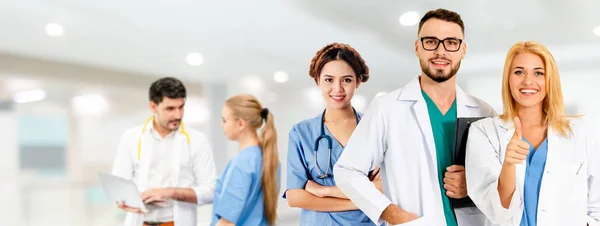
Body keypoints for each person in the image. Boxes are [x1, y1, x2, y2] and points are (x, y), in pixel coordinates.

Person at [333, 8, 497, 226]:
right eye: (431, 42)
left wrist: (475, 184)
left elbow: (503, 182)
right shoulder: (387, 108)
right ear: (417, 47)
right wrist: (389, 212)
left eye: (451, 42)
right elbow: (347, 170)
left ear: (463, 49)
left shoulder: (485, 113)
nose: (441, 51)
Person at [464, 41, 600, 226]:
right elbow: (496, 211)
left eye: (539, 73)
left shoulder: (580, 132)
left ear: (549, 80)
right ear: (508, 79)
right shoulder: (484, 132)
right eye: (519, 72)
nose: (528, 81)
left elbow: (596, 208)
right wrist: (509, 165)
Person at [284, 42, 383, 226]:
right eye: (329, 80)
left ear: (358, 81)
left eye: (346, 80)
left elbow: (387, 188)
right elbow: (295, 196)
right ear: (318, 81)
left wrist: (325, 191)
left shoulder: (377, 128)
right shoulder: (301, 133)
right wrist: (361, 200)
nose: (337, 89)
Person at [112, 77, 217, 226]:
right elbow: (119, 182)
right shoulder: (131, 137)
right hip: (139, 222)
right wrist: (122, 200)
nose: (178, 115)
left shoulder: (198, 140)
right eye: (170, 109)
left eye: (181, 107)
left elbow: (211, 191)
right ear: (153, 107)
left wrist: (169, 192)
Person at [211, 94, 280, 226]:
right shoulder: (270, 159)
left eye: (225, 120)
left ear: (240, 124)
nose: (222, 125)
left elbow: (227, 222)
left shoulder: (242, 163)